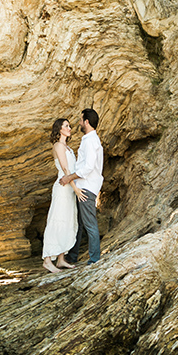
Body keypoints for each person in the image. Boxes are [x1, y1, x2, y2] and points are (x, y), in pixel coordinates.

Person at [61, 108, 104, 265]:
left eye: (80, 120)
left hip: (86, 187)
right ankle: (72, 257)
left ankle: (94, 260)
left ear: (86, 122)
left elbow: (88, 167)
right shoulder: (89, 139)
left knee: (89, 225)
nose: (78, 123)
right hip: (84, 186)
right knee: (79, 224)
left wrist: (69, 177)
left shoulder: (91, 141)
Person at [42, 118, 85, 273]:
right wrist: (76, 188)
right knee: (56, 222)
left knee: (67, 222)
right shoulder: (58, 145)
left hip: (70, 191)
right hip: (63, 189)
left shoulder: (67, 147)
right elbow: (66, 170)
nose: (69, 128)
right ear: (59, 129)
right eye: (66, 126)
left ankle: (61, 259)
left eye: (69, 126)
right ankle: (47, 260)